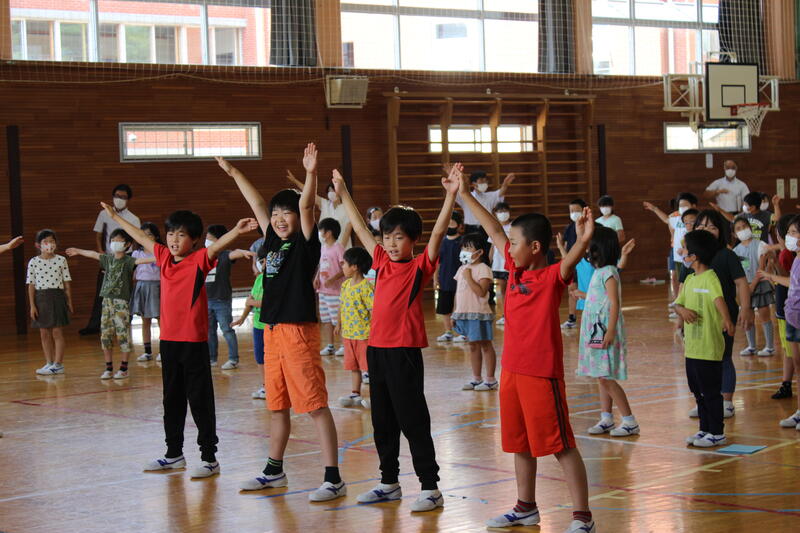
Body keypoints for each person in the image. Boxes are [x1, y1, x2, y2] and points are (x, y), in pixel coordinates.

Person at [457, 169, 596, 532]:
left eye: (515, 242)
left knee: (561, 445)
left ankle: (583, 517)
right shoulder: (515, 270)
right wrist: (465, 194)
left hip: (541, 375)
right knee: (520, 443)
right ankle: (525, 507)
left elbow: (569, 261)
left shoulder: (551, 278)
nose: (507, 247)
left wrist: (582, 240)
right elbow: (493, 228)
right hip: (511, 373)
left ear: (534, 248)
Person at [219, 146, 347, 502]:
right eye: (276, 213)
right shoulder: (272, 241)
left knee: (315, 405)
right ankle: (273, 470)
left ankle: (333, 478)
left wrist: (310, 174)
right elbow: (257, 203)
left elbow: (306, 207)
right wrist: (234, 172)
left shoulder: (306, 244)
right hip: (271, 330)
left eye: (285, 213)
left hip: (297, 331)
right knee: (277, 406)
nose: (278, 218)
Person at [333, 163, 460, 513]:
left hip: (403, 352)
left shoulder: (419, 267)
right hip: (376, 350)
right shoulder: (380, 261)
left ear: (412, 241)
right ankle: (388, 482)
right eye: (387, 236)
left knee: (413, 421)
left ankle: (430, 487)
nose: (390, 243)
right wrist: (344, 193)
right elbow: (361, 227)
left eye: (398, 237)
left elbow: (438, 233)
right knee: (382, 422)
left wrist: (451, 196)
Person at [109, 202, 256, 478]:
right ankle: (173, 454)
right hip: (169, 341)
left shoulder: (199, 260)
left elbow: (217, 247)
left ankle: (209, 458)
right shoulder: (163, 257)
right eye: (171, 234)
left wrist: (237, 231)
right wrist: (116, 217)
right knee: (172, 400)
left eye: (181, 235)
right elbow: (140, 236)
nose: (174, 240)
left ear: (195, 239)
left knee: (200, 400)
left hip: (193, 342)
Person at [683, 210, 752, 419]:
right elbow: (684, 287)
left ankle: (727, 401)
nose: (706, 230)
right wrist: (680, 315)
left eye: (712, 227)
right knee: (701, 361)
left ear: (720, 232)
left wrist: (746, 308)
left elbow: (741, 282)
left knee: (723, 357)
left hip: (723, 316)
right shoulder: (692, 258)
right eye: (701, 226)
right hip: (698, 318)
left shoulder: (726, 255)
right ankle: (706, 399)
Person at [675, 230, 735, 448]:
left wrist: (727, 320)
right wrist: (682, 312)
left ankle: (717, 432)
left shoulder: (710, 277)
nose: (682, 252)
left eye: (685, 249)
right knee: (697, 392)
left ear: (695, 255)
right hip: (692, 348)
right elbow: (678, 303)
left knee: (710, 392)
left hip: (709, 347)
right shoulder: (690, 279)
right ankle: (704, 429)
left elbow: (719, 300)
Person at [66, 230, 154, 379]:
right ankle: (108, 368)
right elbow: (93, 254)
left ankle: (124, 368)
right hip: (106, 301)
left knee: (122, 334)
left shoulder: (129, 261)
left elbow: (146, 260)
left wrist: (166, 255)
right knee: (106, 335)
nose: (115, 243)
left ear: (127, 244)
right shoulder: (107, 259)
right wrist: (78, 251)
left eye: (119, 241)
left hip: (121, 302)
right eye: (113, 240)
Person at [578, 226, 638, 437]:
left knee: (605, 377)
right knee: (600, 375)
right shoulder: (599, 272)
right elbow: (600, 298)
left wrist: (610, 331)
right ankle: (606, 418)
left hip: (604, 329)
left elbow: (614, 303)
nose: (588, 251)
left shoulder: (609, 272)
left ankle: (629, 421)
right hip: (595, 330)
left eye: (591, 247)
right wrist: (583, 295)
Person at [81, 185, 140, 336]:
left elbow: (136, 241)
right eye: (117, 196)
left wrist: (132, 263)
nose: (119, 199)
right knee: (101, 291)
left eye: (123, 197)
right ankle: (95, 325)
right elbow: (98, 235)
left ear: (128, 199)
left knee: (123, 291)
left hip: (126, 259)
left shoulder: (133, 219)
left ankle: (124, 322)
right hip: (108, 258)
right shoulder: (104, 214)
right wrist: (101, 254)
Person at [759, 215, 800, 431]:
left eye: (794, 233)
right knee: (798, 364)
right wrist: (772, 275)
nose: (790, 237)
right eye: (789, 232)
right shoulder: (796, 259)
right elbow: (792, 283)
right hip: (792, 317)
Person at [205, 224, 254, 369]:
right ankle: (212, 358)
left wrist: (242, 252)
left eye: (210, 238)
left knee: (227, 330)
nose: (207, 241)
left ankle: (233, 359)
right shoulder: (204, 255)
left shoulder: (224, 255)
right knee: (209, 331)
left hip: (221, 300)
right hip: (206, 300)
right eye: (206, 238)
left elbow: (235, 253)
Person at [453, 232, 497, 392]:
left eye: (468, 248)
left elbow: (481, 292)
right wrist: (455, 312)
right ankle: (476, 378)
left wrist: (469, 277)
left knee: (485, 344)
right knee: (472, 346)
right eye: (463, 248)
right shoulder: (462, 269)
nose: (464, 251)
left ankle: (491, 380)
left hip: (479, 314)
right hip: (464, 313)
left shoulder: (483, 269)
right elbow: (458, 293)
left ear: (479, 252)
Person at [28, 229, 72, 376]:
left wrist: (69, 301)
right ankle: (49, 362)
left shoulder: (61, 260)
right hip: (41, 298)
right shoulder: (33, 262)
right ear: (38, 245)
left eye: (52, 241)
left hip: (57, 296)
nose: (49, 244)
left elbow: (67, 282)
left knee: (57, 332)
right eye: (45, 242)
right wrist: (32, 305)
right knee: (44, 333)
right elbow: (31, 285)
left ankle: (58, 364)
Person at [335, 246, 374, 408]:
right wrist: (338, 323)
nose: (342, 266)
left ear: (355, 267)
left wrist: (375, 331)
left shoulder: (366, 287)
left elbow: (373, 311)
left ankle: (376, 396)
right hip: (348, 335)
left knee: (369, 367)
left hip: (364, 335)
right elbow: (341, 305)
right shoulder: (345, 285)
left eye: (344, 263)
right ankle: (355, 393)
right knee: (354, 366)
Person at [644, 192, 698, 306]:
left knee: (690, 278)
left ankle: (689, 302)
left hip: (690, 254)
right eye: (680, 205)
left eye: (685, 205)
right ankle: (678, 302)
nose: (682, 207)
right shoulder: (676, 218)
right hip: (677, 254)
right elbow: (666, 219)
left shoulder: (697, 219)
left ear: (693, 206)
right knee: (677, 278)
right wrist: (654, 209)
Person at [732, 216, 775, 356]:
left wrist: (753, 285)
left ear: (750, 228)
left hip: (760, 284)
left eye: (744, 226)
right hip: (745, 287)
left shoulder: (761, 244)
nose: (742, 230)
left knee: (764, 316)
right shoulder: (735, 251)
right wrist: (746, 289)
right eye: (738, 228)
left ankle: (769, 347)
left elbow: (761, 268)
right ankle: (752, 346)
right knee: (748, 317)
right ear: (734, 234)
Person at [231, 246, 268, 400]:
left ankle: (276, 385)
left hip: (271, 327)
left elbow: (268, 302)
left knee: (273, 358)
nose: (260, 264)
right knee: (260, 357)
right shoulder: (259, 279)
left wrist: (252, 302)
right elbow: (250, 301)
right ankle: (265, 386)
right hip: (258, 326)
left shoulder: (274, 280)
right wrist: (242, 318)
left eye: (261, 261)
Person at [287, 169, 352, 248]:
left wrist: (340, 248)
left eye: (333, 190)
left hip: (342, 247)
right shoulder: (325, 204)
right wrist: (295, 181)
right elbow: (309, 192)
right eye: (329, 191)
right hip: (324, 247)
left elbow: (348, 230)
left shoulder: (347, 207)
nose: (331, 193)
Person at [771, 214, 796, 399]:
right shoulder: (788, 253)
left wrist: (772, 272)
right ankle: (786, 384)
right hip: (786, 310)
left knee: (792, 352)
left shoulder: (788, 254)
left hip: (790, 311)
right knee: (789, 351)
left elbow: (788, 280)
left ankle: (787, 384)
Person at [132, 222, 162, 362]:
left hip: (157, 287)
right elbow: (132, 272)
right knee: (145, 320)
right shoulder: (136, 253)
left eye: (149, 234)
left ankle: (163, 351)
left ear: (156, 236)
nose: (146, 237)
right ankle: (147, 352)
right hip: (141, 287)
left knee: (161, 320)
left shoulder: (161, 251)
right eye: (143, 235)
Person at [317, 217, 346, 356]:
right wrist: (316, 278)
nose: (319, 233)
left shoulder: (338, 248)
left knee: (338, 320)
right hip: (323, 291)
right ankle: (330, 346)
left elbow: (345, 268)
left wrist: (333, 279)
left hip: (335, 292)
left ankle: (344, 345)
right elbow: (320, 266)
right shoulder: (323, 247)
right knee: (326, 320)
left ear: (328, 233)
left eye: (321, 230)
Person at [456, 170, 515, 234]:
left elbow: (500, 193)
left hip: (487, 227)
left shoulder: (489, 196)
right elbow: (455, 193)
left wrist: (505, 184)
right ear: (473, 183)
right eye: (481, 181)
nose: (484, 183)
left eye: (485, 180)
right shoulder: (467, 196)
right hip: (470, 228)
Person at [435, 211, 465, 342]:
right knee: (445, 308)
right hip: (445, 280)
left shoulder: (463, 241)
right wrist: (435, 278)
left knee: (460, 306)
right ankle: (448, 332)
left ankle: (462, 332)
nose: (449, 226)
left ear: (459, 225)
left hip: (461, 281)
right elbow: (437, 262)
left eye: (451, 223)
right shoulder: (441, 242)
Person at [560, 199, 588, 328]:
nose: (573, 213)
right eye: (571, 211)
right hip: (572, 262)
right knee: (572, 289)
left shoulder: (589, 225)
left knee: (587, 289)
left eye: (576, 210)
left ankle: (591, 316)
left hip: (586, 264)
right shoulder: (569, 228)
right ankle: (572, 318)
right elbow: (566, 246)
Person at [489, 202, 512, 326]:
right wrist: (489, 261)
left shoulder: (513, 227)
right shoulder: (495, 227)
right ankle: (505, 315)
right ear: (496, 213)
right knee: (502, 290)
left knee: (512, 290)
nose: (503, 213)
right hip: (498, 264)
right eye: (500, 211)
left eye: (505, 210)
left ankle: (513, 313)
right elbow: (492, 247)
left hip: (510, 263)